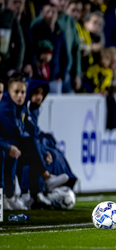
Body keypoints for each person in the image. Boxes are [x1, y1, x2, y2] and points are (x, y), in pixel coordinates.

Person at [0, 75, 69, 209]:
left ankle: (31, 195)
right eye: (16, 92)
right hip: (7, 144)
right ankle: (11, 195)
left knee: (35, 153)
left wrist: (43, 151)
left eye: (22, 92)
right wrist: (8, 147)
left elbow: (32, 130)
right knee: (16, 149)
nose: (20, 96)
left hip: (12, 145)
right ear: (10, 92)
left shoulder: (21, 107)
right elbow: (16, 132)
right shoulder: (6, 107)